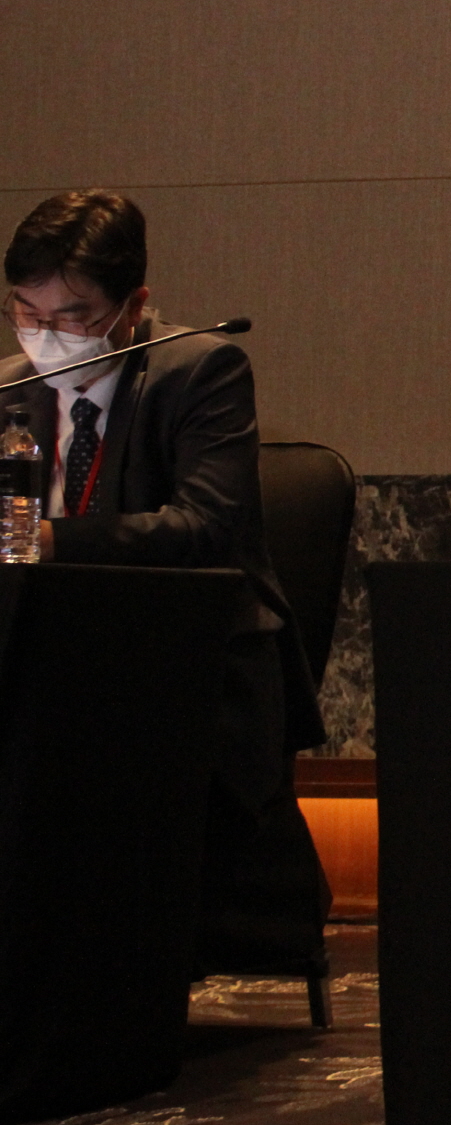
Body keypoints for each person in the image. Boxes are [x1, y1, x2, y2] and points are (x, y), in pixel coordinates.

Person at [1, 189, 329, 968]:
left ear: (134, 305)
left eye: (75, 317)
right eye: (27, 314)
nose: (47, 339)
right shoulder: (10, 389)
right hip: (52, 657)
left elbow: (204, 527)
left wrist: (47, 539)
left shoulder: (201, 369)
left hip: (191, 667)